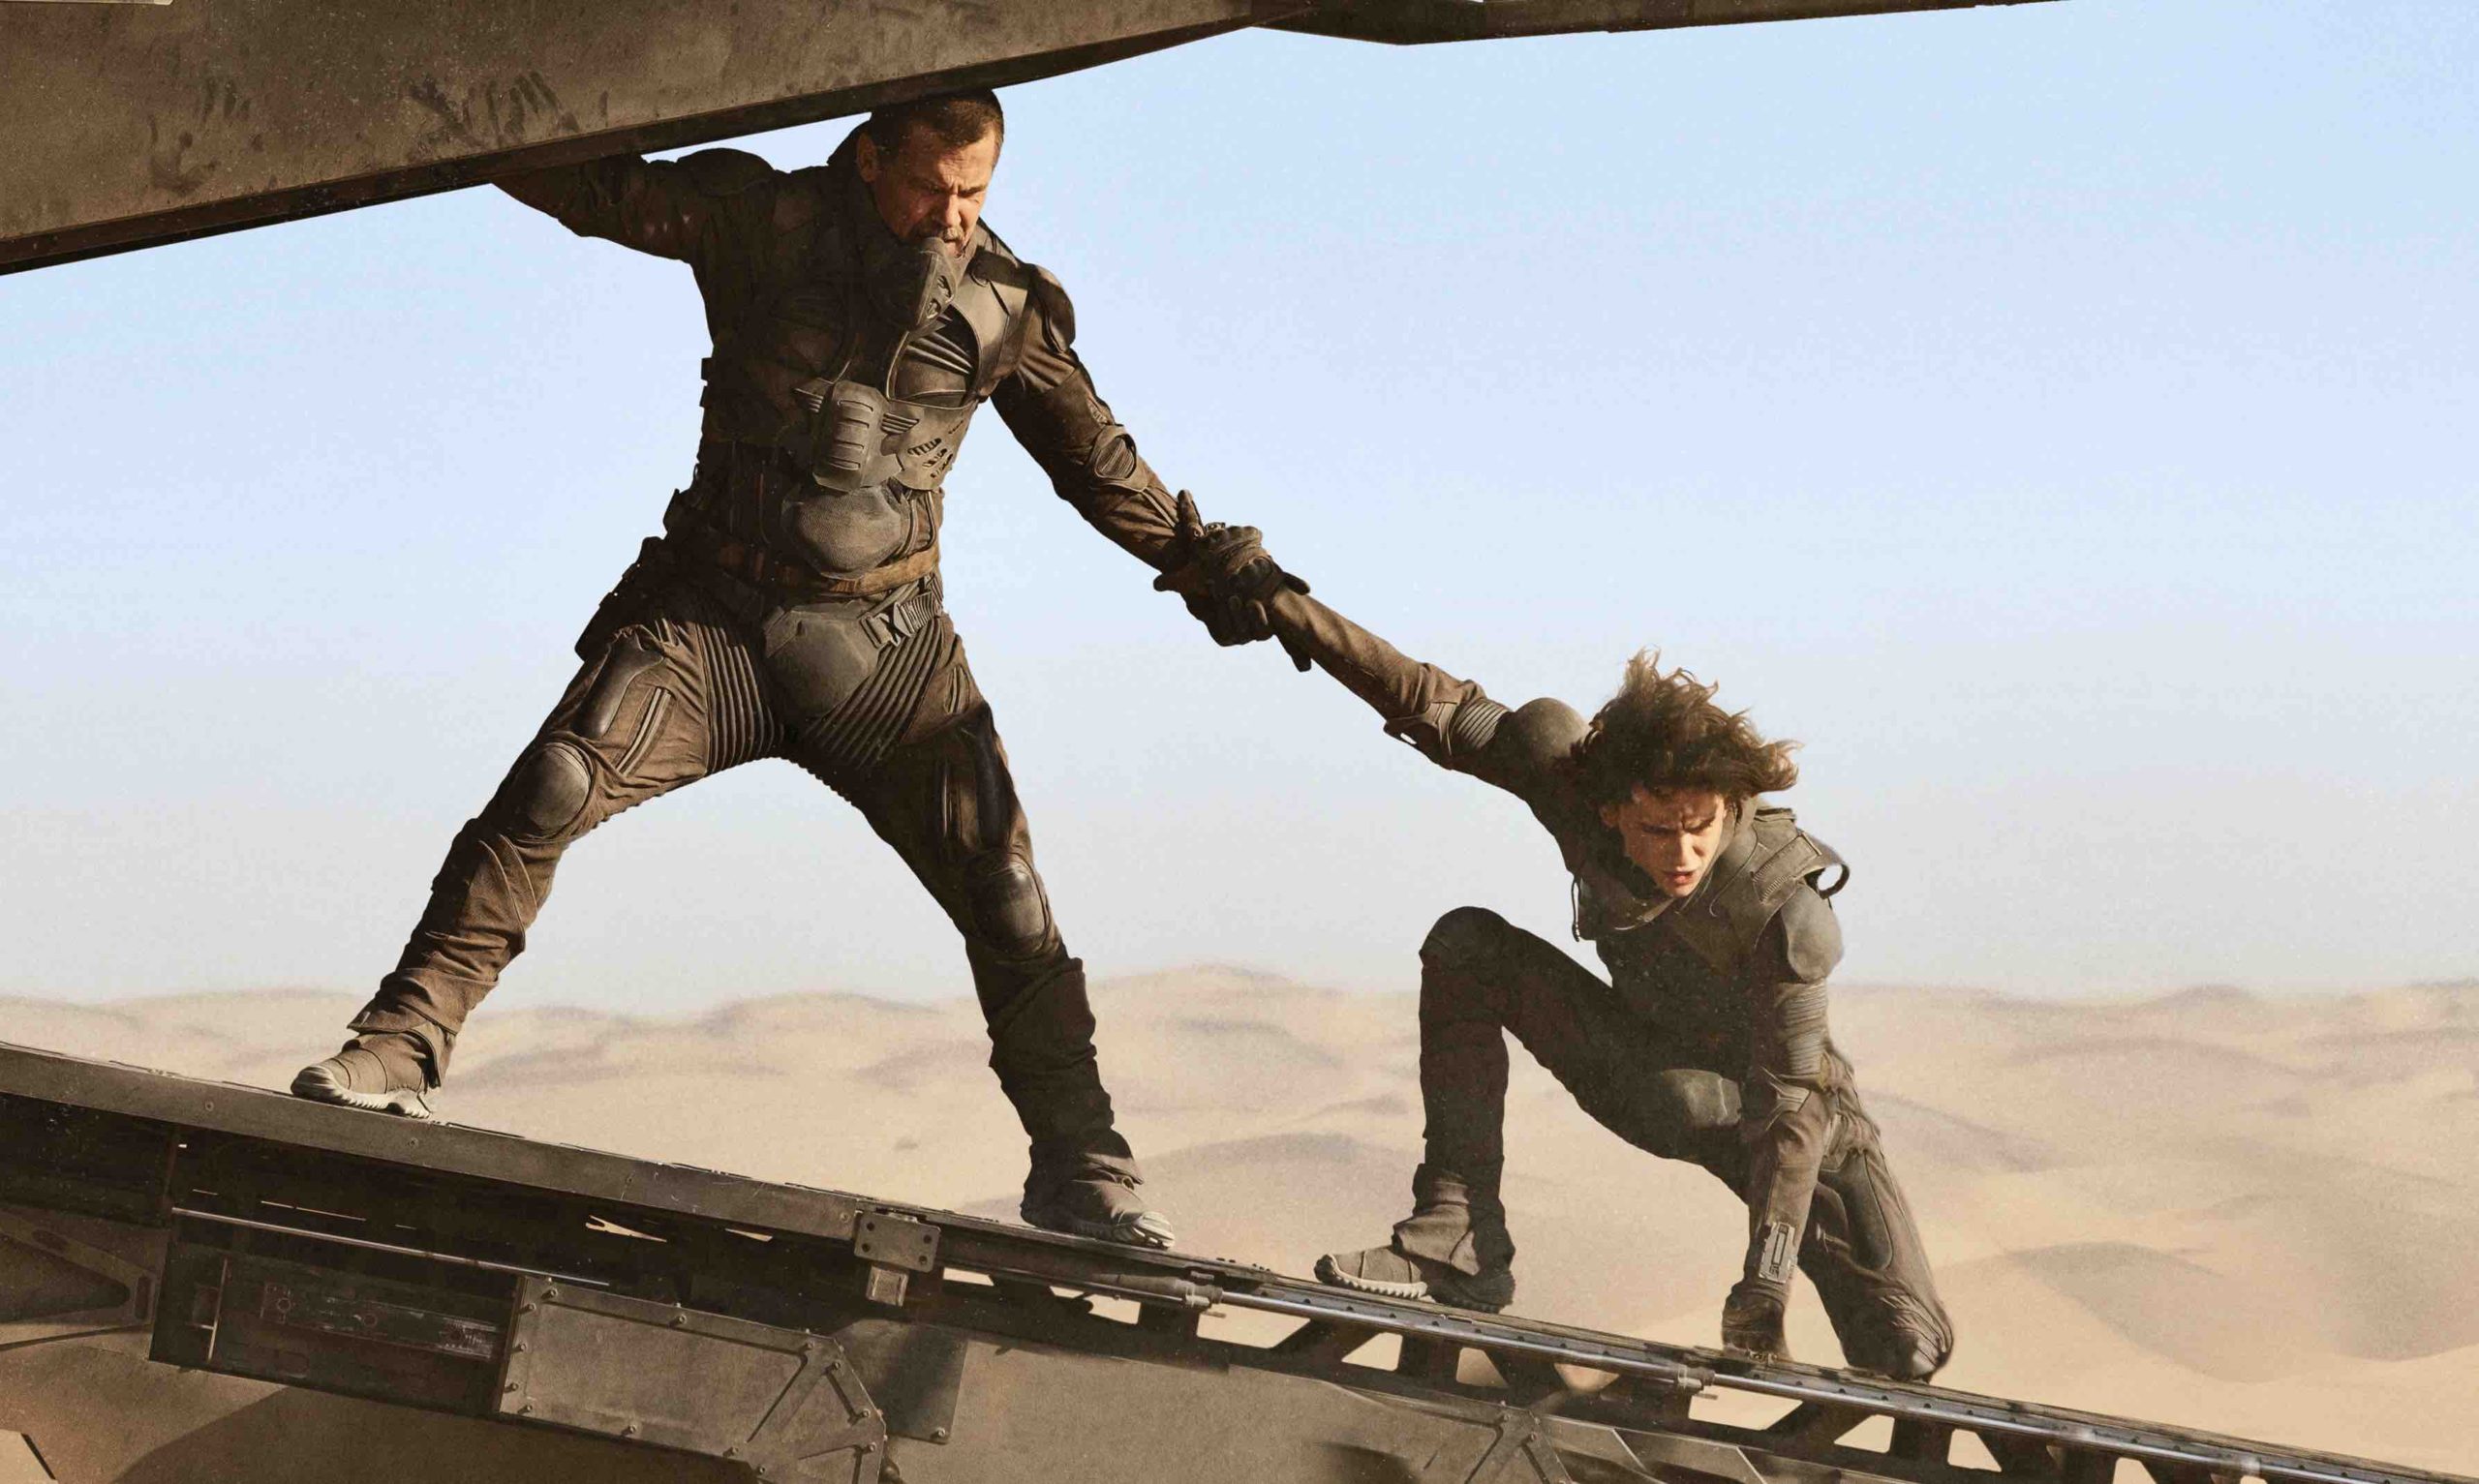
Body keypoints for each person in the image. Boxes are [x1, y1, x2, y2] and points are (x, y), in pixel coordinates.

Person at [291, 90, 1274, 1251]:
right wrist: (454, 92)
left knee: (1006, 894)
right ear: (867, 160)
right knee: (555, 785)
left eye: (974, 193)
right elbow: (590, 186)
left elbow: (1095, 460)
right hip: (714, 625)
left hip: (888, 656)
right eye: (929, 187)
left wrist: (1204, 562)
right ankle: (404, 1040)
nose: (951, 216)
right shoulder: (761, 221)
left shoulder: (1003, 301)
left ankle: (1083, 1166)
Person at [1178, 523, 1952, 1376]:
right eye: (1660, 830)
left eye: (1703, 827)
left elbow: (1792, 1112)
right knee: (1466, 946)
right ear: (1613, 806)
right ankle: (1457, 1238)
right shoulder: (1567, 775)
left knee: (1908, 1346)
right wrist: (1287, 605)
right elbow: (1428, 702)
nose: (1685, 853)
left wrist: (1763, 1288)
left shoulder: (1781, 910)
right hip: (1652, 1075)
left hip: (1789, 1122)